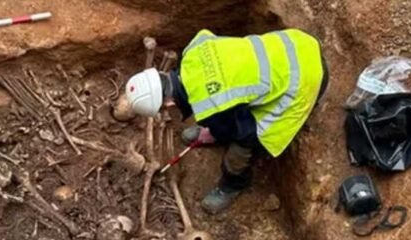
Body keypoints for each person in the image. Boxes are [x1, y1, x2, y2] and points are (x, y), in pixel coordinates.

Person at [126, 28, 329, 213]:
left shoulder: (209, 105)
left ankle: (233, 185)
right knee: (229, 115)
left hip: (305, 79)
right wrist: (215, 127)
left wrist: (218, 130)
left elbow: (245, 132)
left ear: (169, 103)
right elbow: (209, 40)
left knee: (244, 146)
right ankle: (220, 131)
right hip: (297, 43)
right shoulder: (191, 51)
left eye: (163, 108)